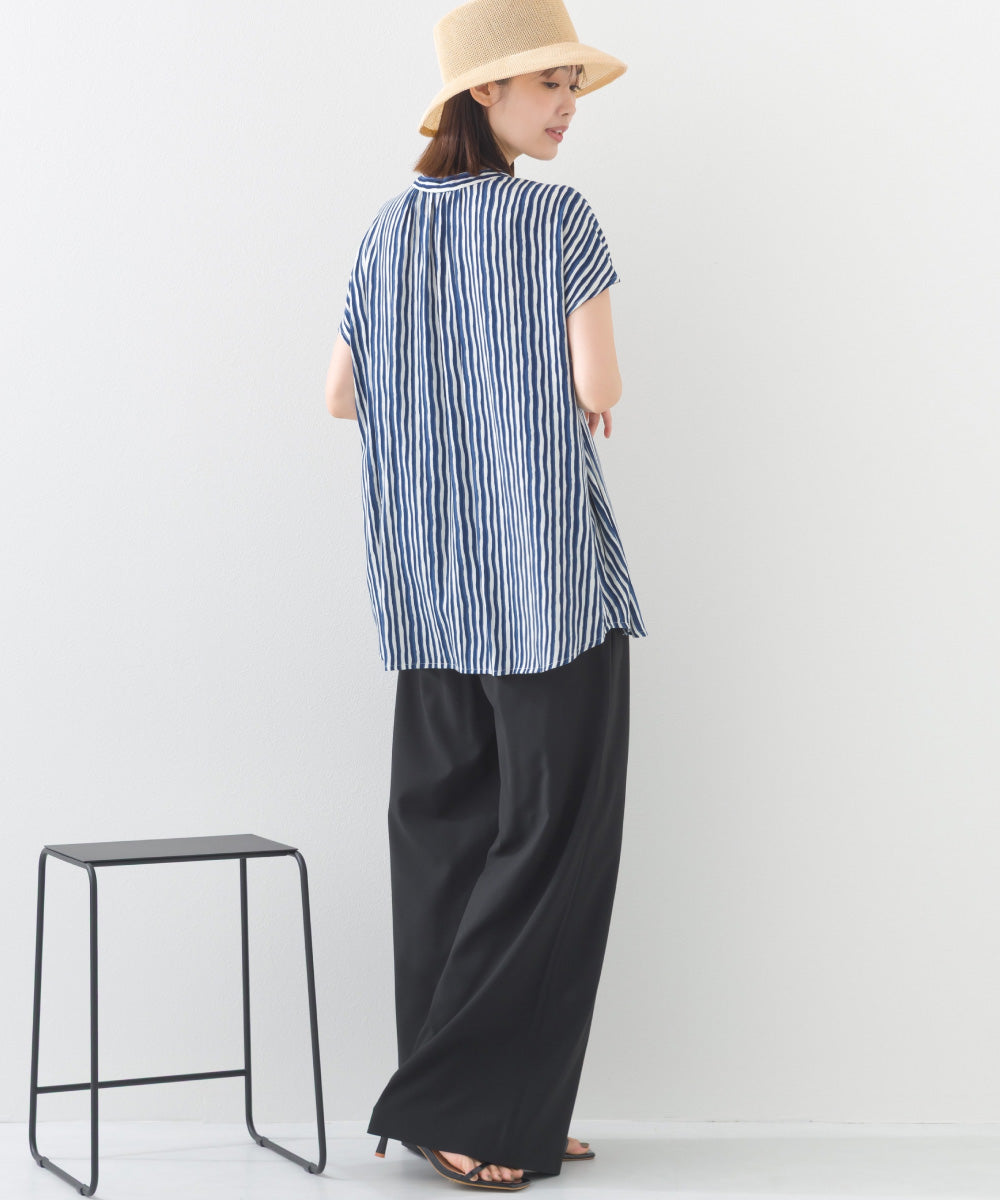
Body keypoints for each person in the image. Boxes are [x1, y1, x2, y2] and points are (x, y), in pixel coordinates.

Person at [325, 0, 647, 1189]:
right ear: (483, 94)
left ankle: (471, 1110)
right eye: (546, 83)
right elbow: (600, 384)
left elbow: (338, 395)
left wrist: (439, 391)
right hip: (547, 585)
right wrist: (543, 387)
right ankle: (470, 1106)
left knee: (445, 841)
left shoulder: (386, 229)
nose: (566, 106)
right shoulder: (557, 219)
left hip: (428, 590)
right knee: (551, 851)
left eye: (571, 84)